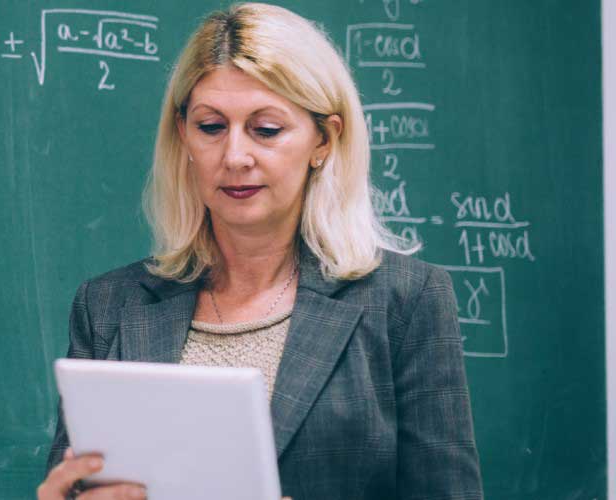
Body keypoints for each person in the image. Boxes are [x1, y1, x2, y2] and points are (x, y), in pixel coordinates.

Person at [35, 3, 482, 499]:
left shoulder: (406, 300)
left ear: (324, 140)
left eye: (266, 130)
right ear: (182, 134)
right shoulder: (108, 306)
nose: (235, 157)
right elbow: (78, 483)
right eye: (211, 127)